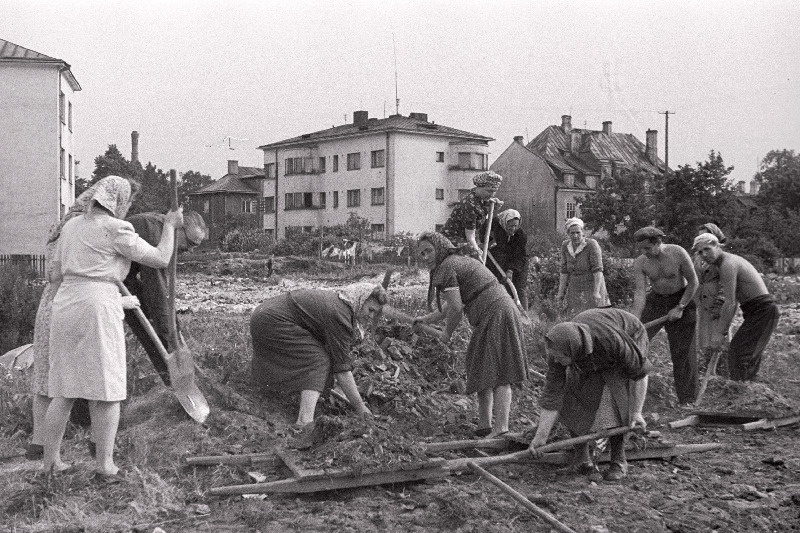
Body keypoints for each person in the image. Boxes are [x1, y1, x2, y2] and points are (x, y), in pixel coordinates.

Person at [41, 176, 184, 479]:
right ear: (119, 200)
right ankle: (105, 465)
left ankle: (50, 462)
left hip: (66, 303)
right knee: (107, 388)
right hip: (97, 305)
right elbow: (160, 258)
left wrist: (112, 293)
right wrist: (170, 226)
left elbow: (57, 272)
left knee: (64, 389)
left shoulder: (71, 226)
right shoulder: (115, 228)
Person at [26, 178, 141, 461]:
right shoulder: (90, 227)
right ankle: (97, 447)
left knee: (51, 377)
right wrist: (117, 300)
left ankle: (40, 444)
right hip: (73, 302)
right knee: (93, 378)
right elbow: (71, 273)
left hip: (55, 303)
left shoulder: (70, 222)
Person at [413, 231, 527, 438]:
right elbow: (452, 304)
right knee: (481, 365)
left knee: (502, 372)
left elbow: (456, 308)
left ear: (440, 248)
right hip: (489, 314)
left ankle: (501, 428)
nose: (426, 257)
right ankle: (485, 425)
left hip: (497, 311)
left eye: (429, 251)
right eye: (421, 254)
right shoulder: (451, 264)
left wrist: (447, 333)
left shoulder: (447, 266)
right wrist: (426, 320)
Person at [528, 308, 651, 482]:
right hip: (590, 350)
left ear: (572, 351)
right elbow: (553, 394)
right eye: (554, 357)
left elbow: (640, 372)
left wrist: (637, 412)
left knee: (612, 396)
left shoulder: (610, 341)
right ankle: (582, 459)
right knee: (572, 395)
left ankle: (618, 459)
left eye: (560, 358)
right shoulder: (559, 347)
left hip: (629, 337)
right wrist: (541, 436)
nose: (556, 361)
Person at [250, 282, 385, 426]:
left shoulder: (341, 304)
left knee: (321, 354)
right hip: (272, 321)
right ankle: (304, 421)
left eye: (374, 313)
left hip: (263, 315)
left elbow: (337, 356)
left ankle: (270, 394)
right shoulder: (340, 314)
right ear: (361, 299)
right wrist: (360, 408)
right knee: (319, 360)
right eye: (370, 310)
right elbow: (342, 370)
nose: (371, 316)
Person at [122, 210, 207, 385]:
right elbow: (156, 289)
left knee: (164, 326)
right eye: (189, 243)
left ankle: (178, 381)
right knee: (151, 327)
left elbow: (162, 291)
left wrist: (174, 327)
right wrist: (171, 333)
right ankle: (174, 384)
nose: (190, 251)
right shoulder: (155, 233)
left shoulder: (164, 230)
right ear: (179, 228)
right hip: (108, 280)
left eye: (195, 246)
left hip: (125, 277)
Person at [693, 233, 780, 381]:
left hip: (763, 310)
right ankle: (747, 390)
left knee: (739, 353)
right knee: (744, 354)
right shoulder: (719, 265)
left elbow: (731, 302)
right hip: (755, 311)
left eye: (707, 249)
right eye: (700, 252)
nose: (704, 255)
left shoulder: (728, 264)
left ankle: (741, 390)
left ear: (717, 246)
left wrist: (719, 334)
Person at [631, 226, 699, 405]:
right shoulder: (641, 262)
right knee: (637, 341)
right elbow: (639, 293)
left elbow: (693, 282)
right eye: (641, 249)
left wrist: (680, 307)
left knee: (682, 352)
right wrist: (634, 321)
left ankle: (688, 400)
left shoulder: (677, 253)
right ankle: (633, 393)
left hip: (682, 298)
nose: (644, 252)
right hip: (656, 301)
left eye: (647, 248)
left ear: (658, 242)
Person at [441, 171, 504, 261]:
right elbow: (470, 236)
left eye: (494, 192)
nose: (491, 195)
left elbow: (486, 205)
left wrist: (493, 205)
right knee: (474, 256)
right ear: (479, 187)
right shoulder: (470, 204)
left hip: (466, 239)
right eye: (489, 191)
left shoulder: (481, 199)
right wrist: (477, 254)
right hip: (452, 239)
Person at [556, 218, 610, 315]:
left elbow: (598, 270)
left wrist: (596, 292)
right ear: (568, 233)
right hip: (575, 286)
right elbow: (564, 271)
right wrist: (560, 293)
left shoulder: (591, 245)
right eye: (572, 233)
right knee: (574, 316)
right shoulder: (565, 245)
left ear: (583, 232)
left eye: (578, 232)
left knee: (593, 316)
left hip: (592, 285)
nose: (575, 236)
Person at [693, 223, 727, 354]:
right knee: (704, 331)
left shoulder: (721, 256)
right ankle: (705, 359)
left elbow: (726, 280)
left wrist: (721, 300)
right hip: (701, 297)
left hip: (716, 296)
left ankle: (718, 363)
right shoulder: (697, 256)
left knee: (718, 330)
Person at [487, 209, 529, 309]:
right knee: (500, 287)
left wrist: (510, 270)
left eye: (516, 225)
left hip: (519, 262)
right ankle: (504, 312)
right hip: (499, 260)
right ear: (504, 222)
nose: (513, 228)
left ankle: (523, 313)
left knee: (519, 288)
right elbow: (484, 231)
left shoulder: (521, 235)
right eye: (511, 226)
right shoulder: (495, 225)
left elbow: (519, 255)